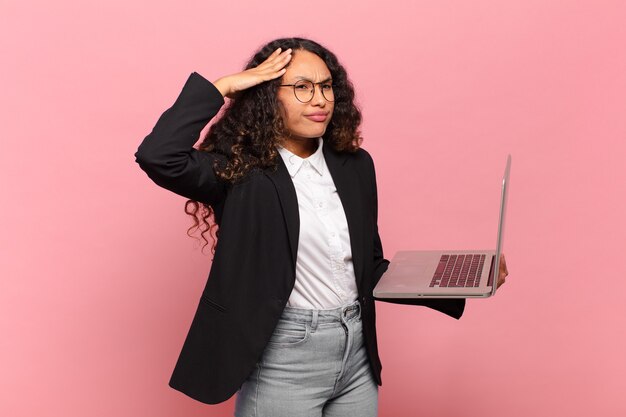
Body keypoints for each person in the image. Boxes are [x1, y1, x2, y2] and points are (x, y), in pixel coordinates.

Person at [134, 37, 508, 417]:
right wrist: (223, 87)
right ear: (267, 97)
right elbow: (158, 156)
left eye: (326, 86)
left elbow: (368, 268)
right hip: (284, 357)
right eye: (302, 88)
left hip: (356, 355)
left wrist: (461, 280)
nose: (320, 100)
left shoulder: (355, 165)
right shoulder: (240, 170)